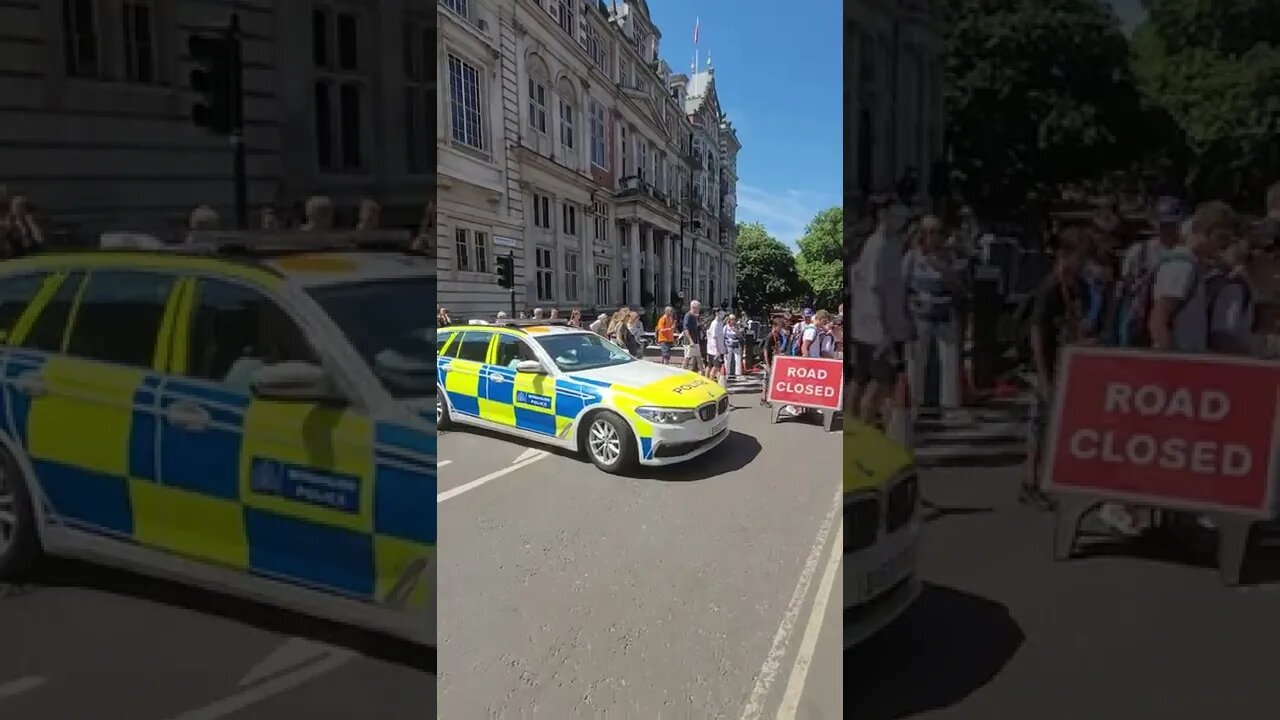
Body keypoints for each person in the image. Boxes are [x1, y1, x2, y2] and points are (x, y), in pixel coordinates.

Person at [1024, 229, 1090, 510]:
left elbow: (1076, 320)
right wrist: (1042, 374)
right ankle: (1030, 481)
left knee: (1052, 425)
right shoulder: (1050, 287)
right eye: (1079, 258)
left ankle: (1046, 477)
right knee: (1040, 424)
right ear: (1065, 255)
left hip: (1065, 362)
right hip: (1046, 364)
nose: (1083, 264)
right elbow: (1037, 330)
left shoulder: (1076, 286)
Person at [850, 195, 913, 439]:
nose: (902, 220)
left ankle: (854, 432)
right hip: (878, 330)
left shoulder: (878, 244)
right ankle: (865, 437)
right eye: (898, 215)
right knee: (879, 384)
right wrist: (886, 331)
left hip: (864, 327)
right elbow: (877, 291)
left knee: (860, 379)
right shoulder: (881, 247)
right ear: (884, 215)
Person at [902, 215, 964, 415]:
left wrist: (942, 268)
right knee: (916, 360)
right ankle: (914, 402)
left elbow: (959, 286)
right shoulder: (911, 258)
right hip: (919, 313)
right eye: (927, 232)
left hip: (944, 311)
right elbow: (902, 287)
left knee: (950, 358)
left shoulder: (950, 256)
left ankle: (950, 404)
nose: (931, 237)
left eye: (936, 232)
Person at [681, 300, 704, 373]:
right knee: (687, 357)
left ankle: (702, 373)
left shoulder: (694, 316)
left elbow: (695, 327)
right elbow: (686, 329)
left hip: (695, 340)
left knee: (698, 357)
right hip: (689, 341)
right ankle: (682, 372)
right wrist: (690, 340)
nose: (699, 309)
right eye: (698, 308)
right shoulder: (688, 316)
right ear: (694, 307)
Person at [706, 310, 726, 380]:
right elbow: (715, 338)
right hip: (715, 350)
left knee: (710, 365)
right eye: (721, 313)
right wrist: (717, 350)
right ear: (717, 314)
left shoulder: (720, 323)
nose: (722, 315)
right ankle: (710, 381)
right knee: (716, 367)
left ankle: (708, 380)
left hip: (715, 348)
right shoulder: (715, 324)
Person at [723, 314, 742, 379]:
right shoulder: (726, 327)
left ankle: (736, 373)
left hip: (736, 344)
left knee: (736, 359)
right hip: (728, 344)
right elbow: (723, 336)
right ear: (729, 320)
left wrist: (736, 331)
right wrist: (723, 346)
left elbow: (740, 336)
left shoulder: (736, 327)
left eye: (734, 319)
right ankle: (728, 373)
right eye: (732, 319)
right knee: (729, 359)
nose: (733, 321)